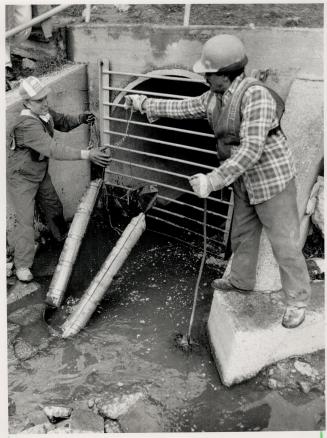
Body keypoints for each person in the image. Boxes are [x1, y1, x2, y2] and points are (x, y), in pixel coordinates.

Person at [124, 34, 311, 329]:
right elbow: (184, 108)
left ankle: (298, 300)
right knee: (242, 236)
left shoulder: (256, 96)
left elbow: (251, 149)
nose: (204, 77)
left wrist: (212, 180)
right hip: (242, 181)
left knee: (284, 244)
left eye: (208, 73)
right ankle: (241, 282)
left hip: (272, 181)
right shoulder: (215, 96)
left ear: (224, 75)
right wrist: (145, 103)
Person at [7, 76, 111, 282]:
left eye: (45, 97)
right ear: (27, 103)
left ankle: (62, 239)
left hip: (40, 172)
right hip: (22, 177)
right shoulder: (26, 124)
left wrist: (81, 118)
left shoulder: (43, 113)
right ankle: (22, 266)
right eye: (39, 100)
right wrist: (88, 154)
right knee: (25, 222)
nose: (45, 102)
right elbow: (53, 149)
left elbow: (62, 121)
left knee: (53, 205)